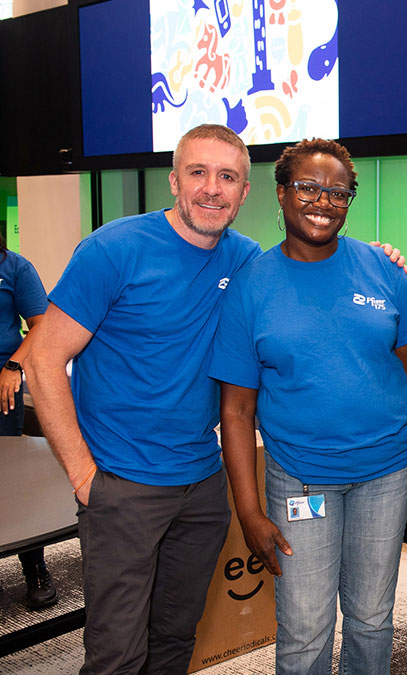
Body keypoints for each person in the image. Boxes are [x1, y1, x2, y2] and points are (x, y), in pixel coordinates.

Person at [24, 124, 262, 673]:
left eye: (227, 177)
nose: (212, 188)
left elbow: (301, 286)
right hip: (120, 485)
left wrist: (372, 259)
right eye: (198, 172)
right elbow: (42, 360)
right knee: (117, 655)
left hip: (201, 485)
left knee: (175, 641)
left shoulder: (244, 259)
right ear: (174, 181)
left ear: (243, 192)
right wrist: (85, 477)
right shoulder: (113, 249)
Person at [208, 137, 407, 675]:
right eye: (308, 188)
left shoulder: (382, 269)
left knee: (372, 618)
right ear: (282, 193)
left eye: (338, 193)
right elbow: (235, 412)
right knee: (305, 627)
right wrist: (249, 512)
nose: (323, 202)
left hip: (387, 474)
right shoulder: (250, 287)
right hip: (301, 479)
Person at [0, 243, 55, 609]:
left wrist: (13, 366)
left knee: (11, 479)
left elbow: (42, 325)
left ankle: (35, 568)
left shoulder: (15, 267)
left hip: (2, 384)